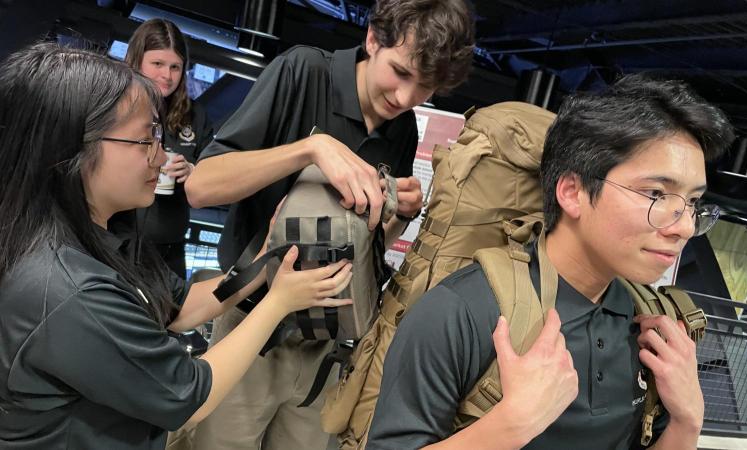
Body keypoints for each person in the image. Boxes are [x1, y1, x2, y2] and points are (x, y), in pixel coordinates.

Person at [0, 42, 352, 450]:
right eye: (144, 140)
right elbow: (187, 394)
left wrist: (264, 261)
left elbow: (181, 307)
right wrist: (279, 303)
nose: (161, 156)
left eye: (158, 135)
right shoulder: (69, 292)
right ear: (71, 148)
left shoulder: (98, 238)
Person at [365, 74, 735, 450]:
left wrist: (687, 422)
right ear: (572, 192)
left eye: (691, 203)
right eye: (656, 193)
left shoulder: (649, 325)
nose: (685, 226)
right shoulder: (462, 312)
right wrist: (510, 426)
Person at [185, 1, 475, 448]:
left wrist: (396, 217)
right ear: (373, 40)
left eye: (426, 87)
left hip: (328, 345)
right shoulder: (304, 72)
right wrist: (310, 148)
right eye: (399, 72)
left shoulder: (402, 130)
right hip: (253, 325)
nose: (405, 98)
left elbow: (365, 246)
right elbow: (201, 186)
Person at [125, 18, 214, 278]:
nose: (167, 75)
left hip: (170, 250)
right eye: (158, 64)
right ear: (137, 59)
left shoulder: (194, 115)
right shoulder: (115, 103)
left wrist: (193, 170)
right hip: (116, 241)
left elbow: (215, 172)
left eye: (175, 66)